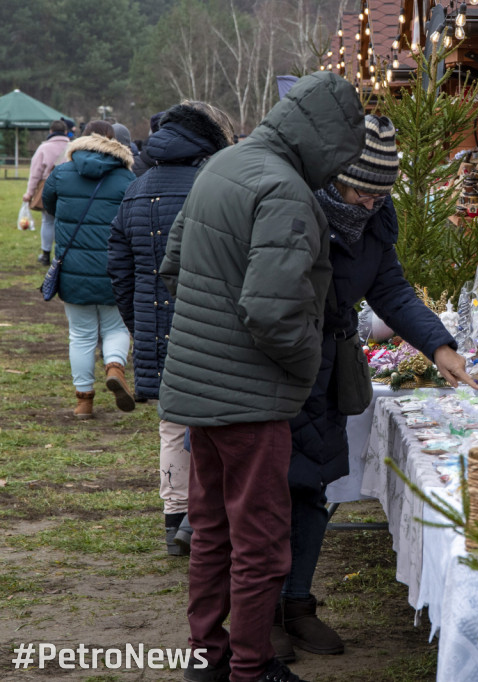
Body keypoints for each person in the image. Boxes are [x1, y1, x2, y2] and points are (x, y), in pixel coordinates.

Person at [157, 71, 366, 682]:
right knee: (261, 541)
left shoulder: (222, 166)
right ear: (327, 137)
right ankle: (251, 667)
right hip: (251, 399)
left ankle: (207, 658)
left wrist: (212, 335)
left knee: (213, 531)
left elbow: (173, 267)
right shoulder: (285, 191)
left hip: (198, 389)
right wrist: (305, 367)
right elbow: (273, 311)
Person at [272, 115, 478, 661]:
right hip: (279, 367)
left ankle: (297, 605)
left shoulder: (375, 217)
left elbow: (392, 289)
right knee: (268, 494)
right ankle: (259, 613)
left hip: (331, 368)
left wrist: (439, 345)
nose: (370, 205)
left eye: (379, 196)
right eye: (363, 192)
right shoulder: (296, 207)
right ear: (339, 175)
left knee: (314, 490)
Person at [107, 102, 233, 557]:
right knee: (214, 424)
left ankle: (176, 520)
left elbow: (119, 268)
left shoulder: (136, 190)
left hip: (155, 326)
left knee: (171, 423)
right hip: (211, 325)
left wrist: (137, 322)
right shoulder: (214, 187)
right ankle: (200, 522)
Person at [41, 120, 137, 419]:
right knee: (116, 327)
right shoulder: (126, 178)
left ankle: (84, 400)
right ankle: (115, 366)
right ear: (113, 141)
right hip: (114, 268)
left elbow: (49, 207)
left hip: (72, 268)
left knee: (80, 335)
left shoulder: (62, 173)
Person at [23, 120, 70, 266]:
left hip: (47, 186)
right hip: (69, 187)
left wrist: (29, 193)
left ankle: (45, 255)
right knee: (65, 222)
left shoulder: (44, 148)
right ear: (65, 132)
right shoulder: (73, 146)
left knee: (48, 221)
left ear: (51, 131)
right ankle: (63, 256)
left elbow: (35, 173)